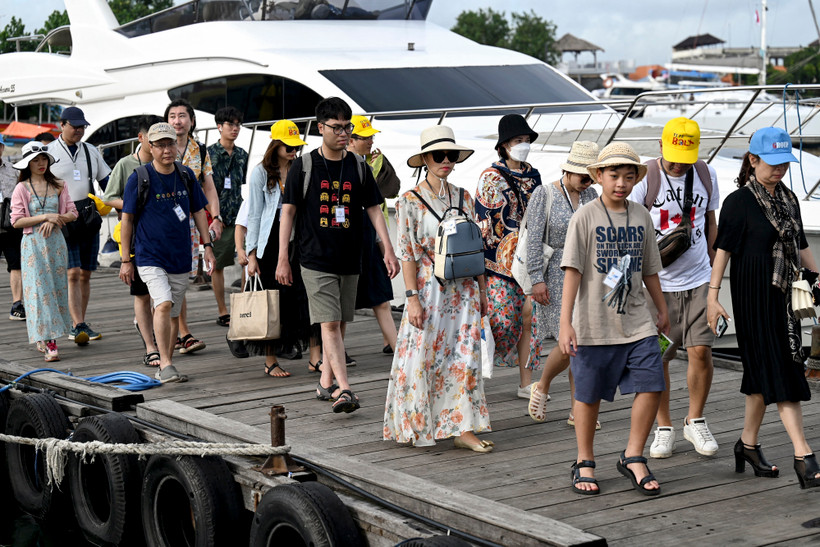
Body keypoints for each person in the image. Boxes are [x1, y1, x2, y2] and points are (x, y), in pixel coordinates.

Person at [707, 127, 820, 489]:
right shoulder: (738, 202)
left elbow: (801, 243)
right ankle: (803, 455)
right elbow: (723, 251)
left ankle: (748, 445)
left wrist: (818, 278)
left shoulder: (789, 198)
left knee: (763, 373)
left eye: (784, 163)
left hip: (786, 296)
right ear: (753, 160)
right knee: (782, 368)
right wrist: (712, 296)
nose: (779, 169)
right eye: (773, 163)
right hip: (753, 295)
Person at [276, 97, 400, 414]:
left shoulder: (358, 166)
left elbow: (374, 208)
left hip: (350, 256)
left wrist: (388, 248)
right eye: (337, 128)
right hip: (314, 258)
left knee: (341, 321)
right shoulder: (304, 166)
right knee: (330, 323)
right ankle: (344, 388)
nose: (344, 133)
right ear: (321, 128)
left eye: (347, 128)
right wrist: (282, 258)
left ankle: (325, 381)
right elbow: (287, 212)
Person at [559, 142, 669, 496]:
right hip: (593, 322)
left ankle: (633, 456)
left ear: (636, 179)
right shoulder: (584, 216)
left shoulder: (641, 216)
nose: (621, 183)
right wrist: (565, 322)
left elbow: (650, 268)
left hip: (637, 319)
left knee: (652, 384)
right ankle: (584, 460)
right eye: (613, 175)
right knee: (588, 394)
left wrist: (661, 308)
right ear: (599, 177)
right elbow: (573, 271)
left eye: (628, 176)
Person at [383, 125, 493, 451]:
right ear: (425, 160)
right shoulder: (409, 201)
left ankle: (463, 427)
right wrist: (411, 299)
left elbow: (476, 248)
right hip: (429, 288)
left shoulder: (464, 196)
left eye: (451, 155)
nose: (446, 160)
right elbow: (407, 253)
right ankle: (419, 422)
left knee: (465, 356)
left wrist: (483, 291)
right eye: (438, 155)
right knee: (423, 354)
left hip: (465, 289)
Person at [628, 118, 720, 459]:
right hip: (658, 285)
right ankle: (663, 426)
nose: (679, 164)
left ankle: (695, 419)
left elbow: (710, 222)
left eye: (686, 157)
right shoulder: (645, 178)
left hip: (698, 279)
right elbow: (631, 227)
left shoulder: (706, 174)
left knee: (701, 351)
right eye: (674, 156)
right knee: (659, 357)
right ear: (661, 145)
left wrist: (714, 271)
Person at [119, 122, 215, 384]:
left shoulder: (186, 175)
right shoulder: (139, 177)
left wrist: (207, 247)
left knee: (173, 313)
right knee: (163, 303)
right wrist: (126, 259)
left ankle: (166, 365)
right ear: (150, 147)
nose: (166, 150)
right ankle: (166, 363)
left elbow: (198, 212)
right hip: (149, 255)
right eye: (160, 145)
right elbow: (127, 220)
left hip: (181, 256)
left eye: (170, 144)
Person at [526, 141, 599, 426]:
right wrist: (536, 279)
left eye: (591, 177)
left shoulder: (591, 194)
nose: (587, 182)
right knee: (571, 341)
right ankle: (543, 384)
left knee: (582, 345)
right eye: (583, 177)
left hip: (586, 273)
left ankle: (576, 409)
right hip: (554, 274)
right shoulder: (544, 194)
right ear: (568, 171)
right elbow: (533, 239)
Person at [245, 119, 320, 377]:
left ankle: (315, 357)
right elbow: (254, 215)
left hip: (300, 238)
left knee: (307, 297)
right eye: (288, 146)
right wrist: (251, 254)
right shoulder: (261, 172)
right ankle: (270, 359)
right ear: (275, 145)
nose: (293, 150)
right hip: (269, 241)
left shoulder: (302, 168)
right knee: (272, 301)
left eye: (296, 146)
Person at [475, 114, 542, 398]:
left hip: (530, 260)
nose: (523, 145)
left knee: (530, 321)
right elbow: (485, 222)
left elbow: (539, 215)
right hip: (499, 265)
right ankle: (476, 376)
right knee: (499, 322)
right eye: (518, 140)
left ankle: (526, 383)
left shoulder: (534, 175)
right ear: (504, 145)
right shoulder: (490, 177)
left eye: (526, 140)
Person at [103, 114, 164, 367]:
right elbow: (108, 197)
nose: (160, 143)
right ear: (141, 138)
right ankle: (150, 346)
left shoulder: (170, 163)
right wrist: (133, 205)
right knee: (142, 293)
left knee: (163, 295)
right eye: (154, 137)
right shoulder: (125, 164)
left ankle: (161, 336)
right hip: (137, 236)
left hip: (164, 238)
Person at [48, 106, 111, 345]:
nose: (79, 130)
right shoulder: (49, 151)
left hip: (87, 215)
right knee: (72, 273)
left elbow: (107, 182)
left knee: (85, 273)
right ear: (62, 125)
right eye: (74, 126)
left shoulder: (90, 151)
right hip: (63, 216)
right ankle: (76, 324)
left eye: (82, 127)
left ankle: (80, 322)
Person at [10, 141, 78, 362]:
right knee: (39, 292)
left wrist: (55, 219)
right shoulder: (22, 188)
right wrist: (45, 216)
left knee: (56, 289)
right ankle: (50, 341)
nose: (41, 163)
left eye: (44, 159)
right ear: (27, 164)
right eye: (35, 160)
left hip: (56, 244)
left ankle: (46, 335)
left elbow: (73, 213)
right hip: (33, 245)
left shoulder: (59, 184)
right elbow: (16, 221)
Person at [165, 98, 223, 355]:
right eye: (172, 116)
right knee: (171, 278)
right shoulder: (159, 147)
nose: (177, 121)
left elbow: (208, 187)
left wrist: (216, 217)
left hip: (189, 220)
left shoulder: (200, 150)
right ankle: (182, 332)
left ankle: (175, 330)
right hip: (162, 220)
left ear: (191, 120)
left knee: (181, 278)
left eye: (182, 116)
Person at [347, 115, 399, 355]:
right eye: (365, 137)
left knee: (381, 297)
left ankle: (398, 350)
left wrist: (385, 247)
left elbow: (385, 197)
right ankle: (335, 354)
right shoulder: (342, 166)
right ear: (350, 139)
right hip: (347, 240)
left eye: (371, 137)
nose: (370, 141)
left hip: (370, 237)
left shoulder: (368, 164)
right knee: (342, 304)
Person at [208, 106, 248, 327]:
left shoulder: (242, 154)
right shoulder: (209, 154)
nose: (235, 128)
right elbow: (206, 188)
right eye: (230, 124)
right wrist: (214, 216)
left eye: (238, 124)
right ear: (219, 127)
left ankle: (243, 306)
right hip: (219, 218)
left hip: (239, 214)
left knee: (247, 260)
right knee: (219, 264)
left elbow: (242, 184)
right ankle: (223, 310)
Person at [0, 134, 25, 320]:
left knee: (16, 264)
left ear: (2, 148)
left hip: (10, 223)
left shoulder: (13, 169)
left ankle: (17, 304)